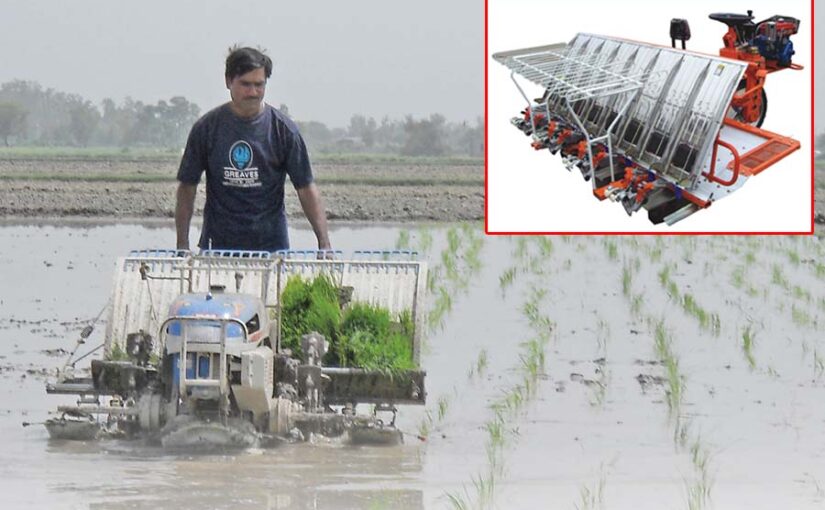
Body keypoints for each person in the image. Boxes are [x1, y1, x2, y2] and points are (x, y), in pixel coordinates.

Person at [175, 46, 331, 254]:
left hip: (271, 249)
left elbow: (306, 188)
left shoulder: (284, 131)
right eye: (245, 84)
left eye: (259, 84)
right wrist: (182, 246)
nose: (253, 92)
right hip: (217, 247)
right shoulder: (206, 128)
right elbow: (187, 187)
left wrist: (324, 244)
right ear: (228, 81)